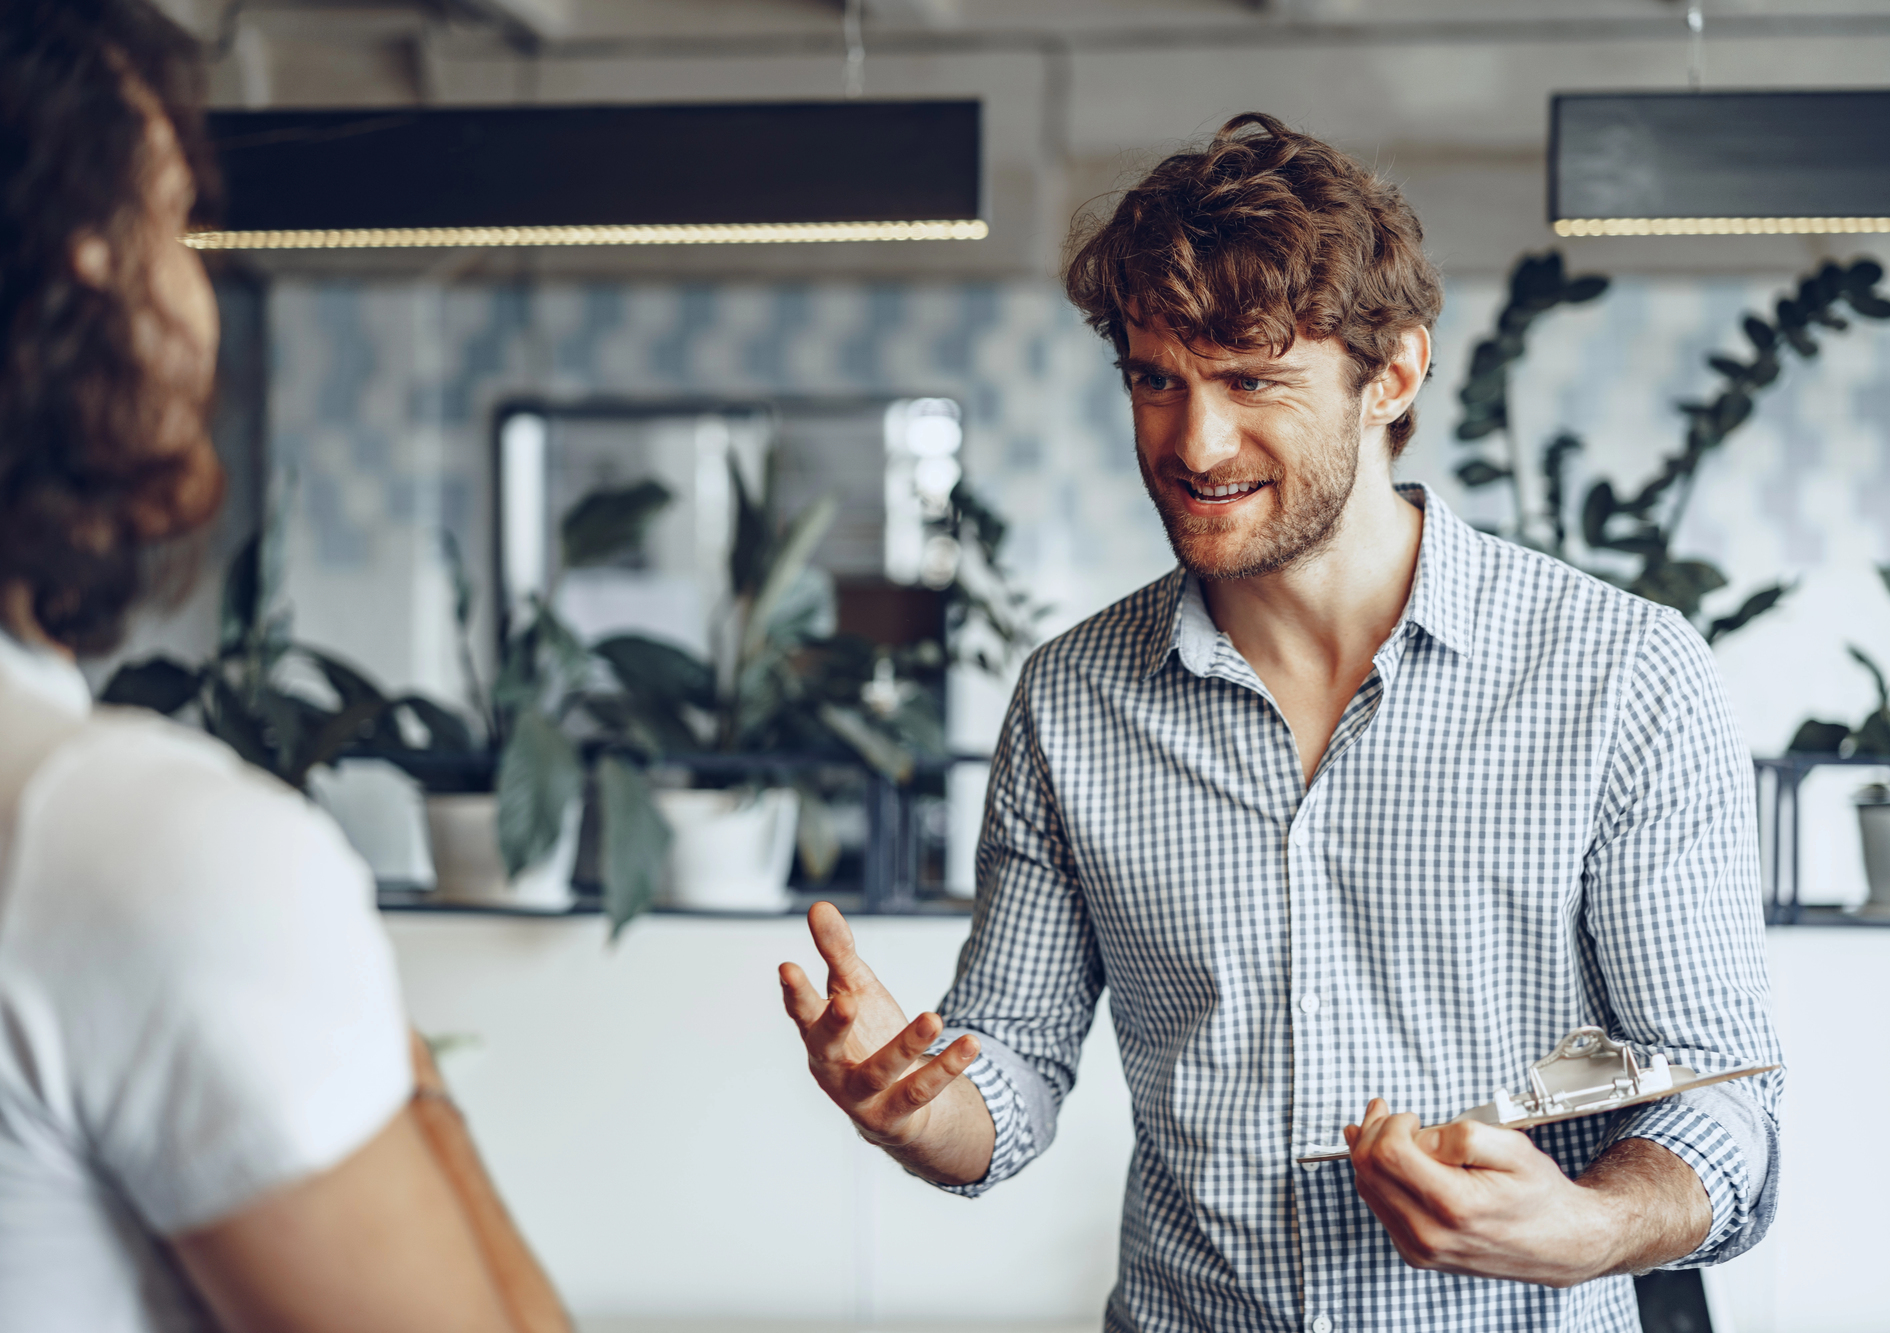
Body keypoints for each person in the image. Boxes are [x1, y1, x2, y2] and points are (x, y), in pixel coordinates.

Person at [780, 114, 1781, 1333]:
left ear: (1393, 375)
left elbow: (1720, 1098)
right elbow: (1013, 1067)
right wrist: (913, 1105)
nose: (1194, 443)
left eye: (1252, 380)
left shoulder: (1621, 674)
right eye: (1157, 379)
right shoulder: (1073, 701)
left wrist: (1588, 1227)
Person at [0, 3, 569, 1329]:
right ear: (86, 267)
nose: (199, 291)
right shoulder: (130, 844)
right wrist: (419, 1090)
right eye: (174, 220)